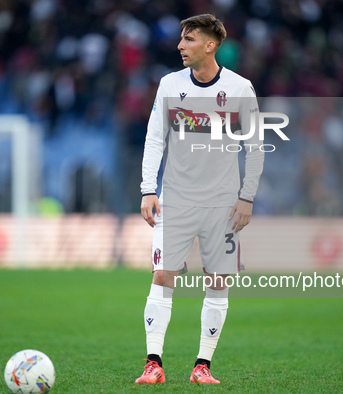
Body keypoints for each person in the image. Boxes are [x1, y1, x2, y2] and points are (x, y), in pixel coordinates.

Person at [135, 14, 264, 385]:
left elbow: (255, 148)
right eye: (181, 39)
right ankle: (153, 363)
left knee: (218, 281)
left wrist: (246, 197)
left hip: (223, 204)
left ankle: (202, 366)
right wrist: (148, 188)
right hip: (175, 199)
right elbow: (155, 138)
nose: (180, 46)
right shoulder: (169, 85)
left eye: (189, 40)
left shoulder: (240, 89)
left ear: (210, 45)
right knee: (162, 275)